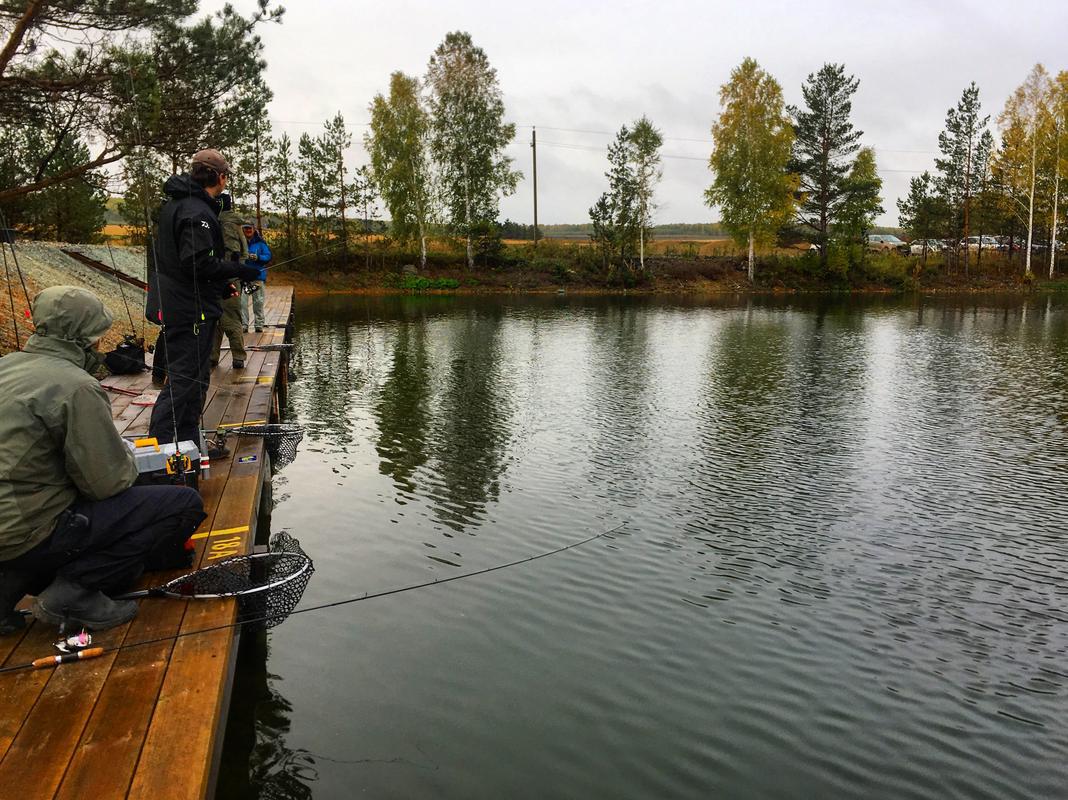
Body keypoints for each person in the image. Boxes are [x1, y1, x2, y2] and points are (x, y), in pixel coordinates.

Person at [0, 286, 207, 633]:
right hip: (28, 532)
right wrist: (124, 455)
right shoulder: (77, 386)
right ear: (87, 338)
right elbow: (107, 484)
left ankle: (7, 592)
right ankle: (74, 592)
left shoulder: (6, 366)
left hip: (9, 528)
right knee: (183, 503)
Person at [146, 149, 261, 448]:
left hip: (186, 303)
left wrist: (221, 286)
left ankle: (186, 446)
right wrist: (239, 270)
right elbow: (197, 263)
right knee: (185, 382)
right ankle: (157, 450)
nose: (226, 182)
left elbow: (189, 265)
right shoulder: (197, 212)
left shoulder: (179, 205)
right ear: (220, 177)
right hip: (189, 310)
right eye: (226, 176)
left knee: (195, 382)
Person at [210, 194, 249, 369]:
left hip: (224, 277)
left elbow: (233, 253)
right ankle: (226, 356)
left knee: (226, 318)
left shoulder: (222, 224)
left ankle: (235, 357)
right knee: (221, 318)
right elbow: (244, 254)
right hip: (227, 276)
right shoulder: (236, 225)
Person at [240, 223, 271, 333]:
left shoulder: (260, 242)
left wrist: (258, 257)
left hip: (257, 277)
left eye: (249, 228)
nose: (248, 230)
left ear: (254, 229)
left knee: (258, 302)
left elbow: (268, 256)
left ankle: (259, 325)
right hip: (243, 278)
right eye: (245, 228)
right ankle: (244, 325)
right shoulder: (240, 242)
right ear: (243, 230)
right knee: (242, 303)